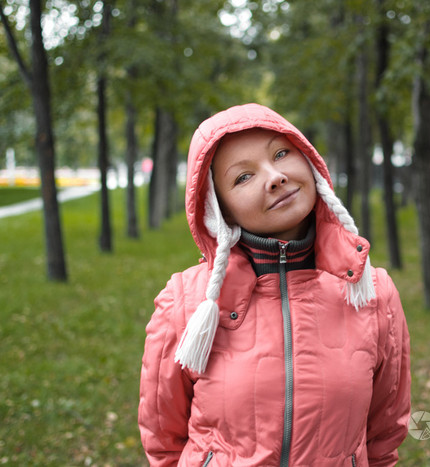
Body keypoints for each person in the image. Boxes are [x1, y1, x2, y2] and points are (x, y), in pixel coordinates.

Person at [139, 103, 411, 466]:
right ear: (221, 209)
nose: (275, 177)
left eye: (281, 154)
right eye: (243, 177)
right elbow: (163, 440)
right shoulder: (186, 302)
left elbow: (384, 434)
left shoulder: (371, 291)